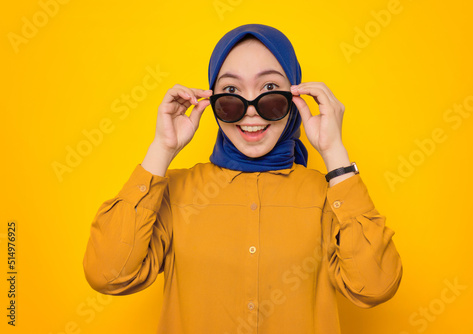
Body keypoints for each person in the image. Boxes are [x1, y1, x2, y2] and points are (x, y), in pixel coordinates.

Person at [83, 23, 403, 333]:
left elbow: (374, 287)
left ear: (295, 98)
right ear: (212, 101)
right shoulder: (175, 193)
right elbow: (108, 274)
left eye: (269, 89)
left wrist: (335, 153)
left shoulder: (329, 196)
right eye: (232, 91)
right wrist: (161, 149)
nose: (251, 110)